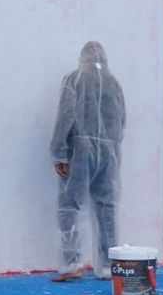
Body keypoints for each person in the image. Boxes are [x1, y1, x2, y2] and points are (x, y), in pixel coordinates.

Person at [51, 41, 125, 281]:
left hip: (80, 150)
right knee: (106, 208)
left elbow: (65, 116)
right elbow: (121, 121)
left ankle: (71, 264)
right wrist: (110, 147)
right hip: (109, 152)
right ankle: (109, 266)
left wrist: (59, 152)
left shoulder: (75, 80)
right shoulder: (115, 85)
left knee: (70, 206)